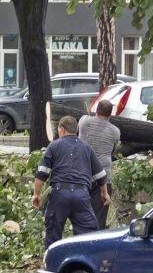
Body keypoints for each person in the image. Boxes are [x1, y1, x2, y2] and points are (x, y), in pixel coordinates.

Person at [32, 116, 111, 248]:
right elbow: (101, 175)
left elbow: (42, 173)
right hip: (82, 195)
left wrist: (37, 194)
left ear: (62, 130)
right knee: (86, 234)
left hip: (59, 195)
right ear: (77, 130)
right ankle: (82, 262)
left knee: (53, 233)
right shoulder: (87, 148)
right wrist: (104, 193)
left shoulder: (53, 146)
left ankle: (54, 264)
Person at [78, 100, 121, 229]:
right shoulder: (115, 131)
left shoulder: (84, 121)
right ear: (110, 114)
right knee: (99, 216)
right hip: (104, 176)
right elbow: (113, 150)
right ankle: (97, 237)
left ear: (96, 110)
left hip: (82, 173)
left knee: (81, 214)